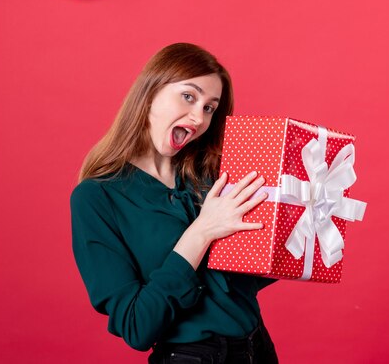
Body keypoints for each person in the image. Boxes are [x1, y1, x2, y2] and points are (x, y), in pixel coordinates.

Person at [71, 43, 279, 363]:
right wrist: (201, 232)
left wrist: (294, 231)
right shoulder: (97, 197)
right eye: (188, 96)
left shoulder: (212, 175)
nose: (198, 117)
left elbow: (233, 285)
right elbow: (137, 327)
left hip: (257, 349)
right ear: (150, 92)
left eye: (210, 107)